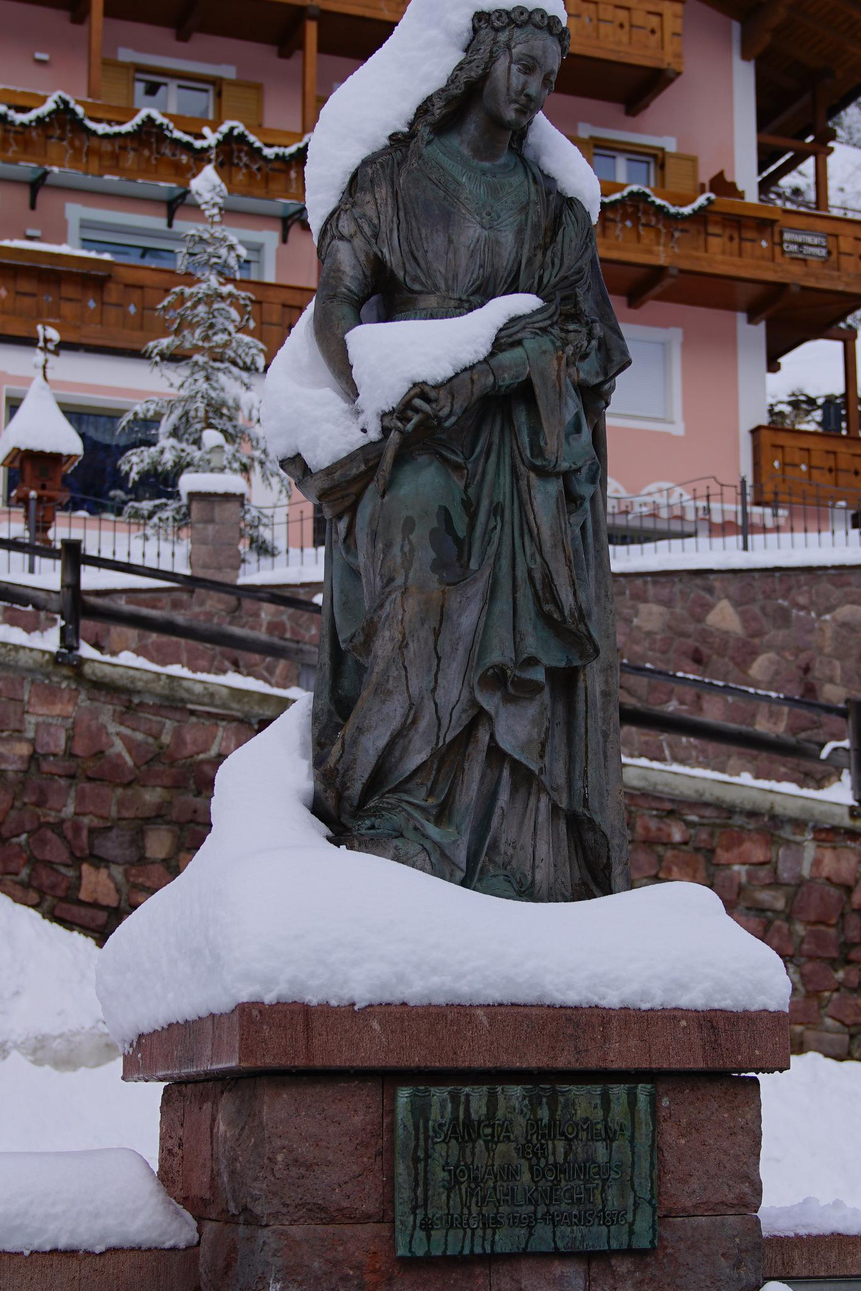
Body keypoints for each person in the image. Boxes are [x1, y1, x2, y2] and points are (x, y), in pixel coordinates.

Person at [296, 4, 630, 902]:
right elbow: (337, 305)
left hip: (519, 452)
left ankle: (512, 845)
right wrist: (379, 385)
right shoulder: (393, 180)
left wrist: (501, 370)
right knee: (419, 573)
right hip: (418, 438)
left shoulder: (552, 212)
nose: (534, 89)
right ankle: (393, 806)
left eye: (549, 78)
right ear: (480, 57)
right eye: (523, 66)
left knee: (517, 642)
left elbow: (591, 341)